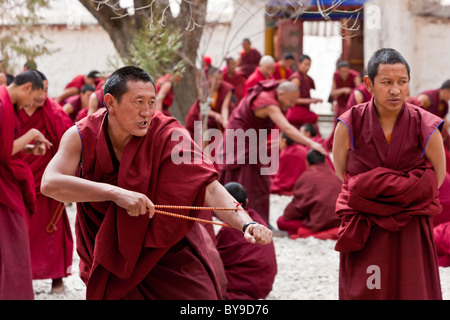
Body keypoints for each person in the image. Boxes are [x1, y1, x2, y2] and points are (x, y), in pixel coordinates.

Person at [40, 66, 272, 300]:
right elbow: (49, 183)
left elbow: (209, 186)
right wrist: (116, 193)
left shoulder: (167, 133)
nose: (146, 112)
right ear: (110, 103)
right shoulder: (82, 135)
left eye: (151, 102)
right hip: (111, 254)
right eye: (138, 102)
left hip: (165, 250)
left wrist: (246, 224)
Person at [333, 48, 445, 300]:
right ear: (369, 84)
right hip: (366, 222)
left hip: (410, 222)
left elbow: (436, 178)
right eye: (387, 82)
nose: (395, 90)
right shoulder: (349, 123)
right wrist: (378, 198)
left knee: (411, 288)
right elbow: (342, 172)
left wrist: (384, 194)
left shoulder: (425, 125)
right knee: (366, 288)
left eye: (402, 82)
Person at [219, 79, 327, 225]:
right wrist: (311, 143)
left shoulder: (276, 90)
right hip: (240, 139)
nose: (292, 105)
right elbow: (286, 128)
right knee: (246, 180)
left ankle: (259, 219)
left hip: (253, 140)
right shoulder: (267, 102)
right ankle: (241, 220)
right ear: (281, 94)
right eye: (291, 100)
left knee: (261, 182)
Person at [17, 70, 74, 294]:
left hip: (47, 182)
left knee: (53, 229)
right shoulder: (13, 111)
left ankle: (57, 279)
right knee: (18, 233)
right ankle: (20, 277)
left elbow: (70, 146)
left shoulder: (54, 112)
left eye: (47, 90)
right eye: (40, 90)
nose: (43, 95)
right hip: (18, 180)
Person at [0, 70, 52, 300]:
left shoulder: (8, 106)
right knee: (13, 245)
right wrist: (31, 134)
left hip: (8, 181)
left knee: (13, 245)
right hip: (3, 187)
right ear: (27, 87)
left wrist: (30, 148)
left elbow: (8, 145)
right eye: (33, 99)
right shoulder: (1, 106)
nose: (30, 105)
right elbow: (3, 151)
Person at [216, 182, 277, 300]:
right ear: (247, 202)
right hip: (265, 283)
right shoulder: (256, 220)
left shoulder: (229, 228)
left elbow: (218, 258)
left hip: (246, 285)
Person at [277, 149, 342, 239]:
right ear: (325, 161)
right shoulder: (335, 175)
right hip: (339, 221)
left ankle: (311, 232)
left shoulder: (306, 176)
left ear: (307, 163)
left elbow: (293, 211)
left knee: (281, 221)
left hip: (318, 223)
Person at [185, 67, 234, 138]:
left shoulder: (227, 88)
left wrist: (225, 120)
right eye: (216, 79)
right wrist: (215, 115)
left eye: (220, 79)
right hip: (204, 114)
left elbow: (225, 107)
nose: (219, 82)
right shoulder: (203, 87)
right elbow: (204, 108)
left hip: (222, 115)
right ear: (209, 78)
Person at [286, 54, 322, 129]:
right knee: (313, 117)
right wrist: (310, 101)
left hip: (304, 109)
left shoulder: (307, 78)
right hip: (295, 111)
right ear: (299, 64)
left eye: (309, 65)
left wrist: (313, 100)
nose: (308, 67)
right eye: (305, 64)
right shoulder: (296, 79)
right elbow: (292, 100)